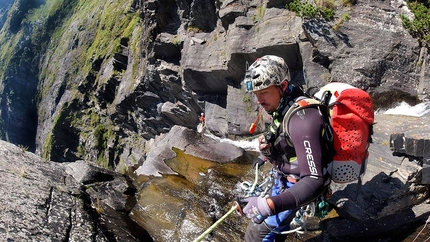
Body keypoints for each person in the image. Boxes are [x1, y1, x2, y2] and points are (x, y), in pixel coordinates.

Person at [239, 55, 331, 241]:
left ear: (282, 85)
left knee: (256, 234)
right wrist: (267, 154)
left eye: (264, 92)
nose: (259, 100)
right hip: (284, 179)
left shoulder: (302, 119)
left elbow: (314, 179)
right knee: (275, 229)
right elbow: (287, 142)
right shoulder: (284, 105)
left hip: (298, 185)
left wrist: (269, 205)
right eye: (256, 94)